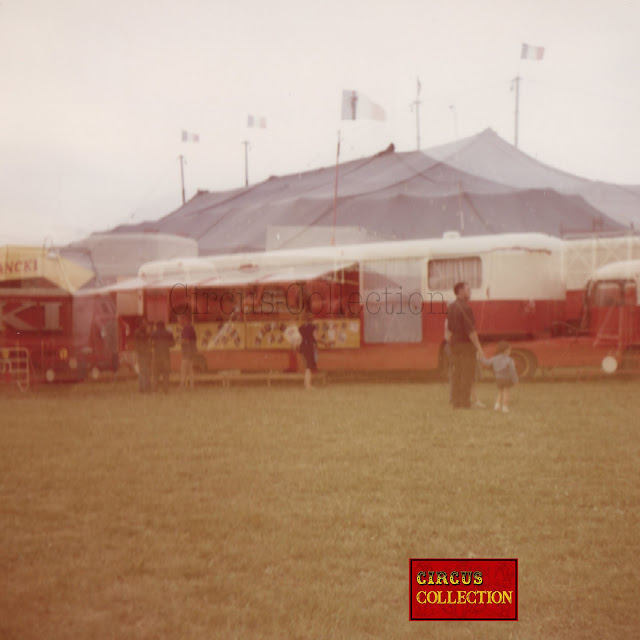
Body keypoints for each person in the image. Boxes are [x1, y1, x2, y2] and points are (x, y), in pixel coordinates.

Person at [446, 281, 484, 408]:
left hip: (454, 344)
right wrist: (479, 347)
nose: (470, 292)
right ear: (461, 291)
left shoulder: (450, 307)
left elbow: (449, 328)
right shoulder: (466, 308)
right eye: (468, 290)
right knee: (467, 374)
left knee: (457, 373)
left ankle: (456, 403)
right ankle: (465, 403)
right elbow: (471, 330)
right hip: (466, 346)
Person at [479, 341, 519, 413]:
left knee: (500, 392)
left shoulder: (494, 358)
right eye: (510, 350)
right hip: (507, 379)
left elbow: (487, 363)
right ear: (506, 350)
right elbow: (513, 370)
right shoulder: (509, 360)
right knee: (506, 392)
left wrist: (480, 357)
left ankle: (497, 405)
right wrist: (515, 379)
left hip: (498, 379)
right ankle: (505, 406)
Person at [151, 321, 175, 393]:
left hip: (156, 356)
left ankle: (155, 390)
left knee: (155, 374)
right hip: (166, 356)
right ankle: (165, 390)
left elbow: (150, 344)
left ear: (157, 326)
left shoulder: (153, 334)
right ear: (164, 326)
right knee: (166, 374)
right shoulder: (169, 333)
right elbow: (172, 344)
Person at [298, 312, 319, 390]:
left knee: (307, 365)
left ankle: (306, 382)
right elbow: (317, 338)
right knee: (309, 366)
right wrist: (325, 342)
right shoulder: (313, 327)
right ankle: (308, 385)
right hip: (309, 346)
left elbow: (298, 338)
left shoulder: (300, 327)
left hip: (302, 346)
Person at [133, 319, 151, 393]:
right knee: (144, 371)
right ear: (140, 324)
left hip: (143, 353)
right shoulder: (138, 332)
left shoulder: (139, 332)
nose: (146, 325)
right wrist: (148, 332)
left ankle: (141, 388)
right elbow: (144, 338)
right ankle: (145, 388)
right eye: (144, 323)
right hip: (142, 354)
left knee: (142, 372)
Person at [179, 314, 197, 390]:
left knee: (183, 369)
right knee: (190, 369)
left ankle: (181, 386)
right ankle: (192, 386)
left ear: (184, 320)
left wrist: (179, 341)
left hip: (187, 351)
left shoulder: (186, 328)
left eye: (179, 320)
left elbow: (186, 341)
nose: (179, 322)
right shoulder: (191, 327)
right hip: (192, 351)